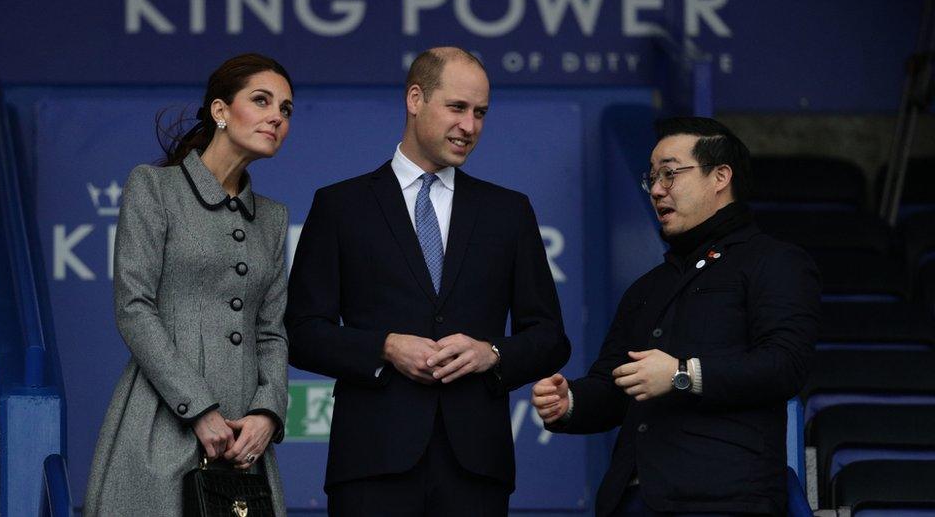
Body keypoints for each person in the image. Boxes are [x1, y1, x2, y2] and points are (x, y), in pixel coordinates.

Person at [285, 46, 571, 515]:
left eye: (480, 113)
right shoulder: (341, 206)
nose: (470, 126)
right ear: (415, 99)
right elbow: (301, 332)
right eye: (457, 107)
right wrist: (385, 347)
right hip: (371, 465)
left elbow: (549, 336)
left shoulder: (509, 211)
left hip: (476, 468)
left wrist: (491, 353)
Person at [532, 117, 819, 515]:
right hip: (631, 498)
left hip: (724, 500)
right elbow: (614, 384)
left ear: (720, 176)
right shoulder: (647, 287)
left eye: (669, 173)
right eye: (651, 177)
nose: (656, 190)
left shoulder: (773, 261)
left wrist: (683, 374)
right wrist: (570, 403)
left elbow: (786, 364)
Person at [85, 53, 294, 516]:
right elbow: (134, 307)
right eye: (261, 101)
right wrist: (199, 409)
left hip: (244, 445)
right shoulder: (153, 188)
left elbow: (272, 332)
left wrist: (268, 413)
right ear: (220, 111)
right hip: (161, 422)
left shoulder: (274, 218)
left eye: (285, 109)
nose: (276, 117)